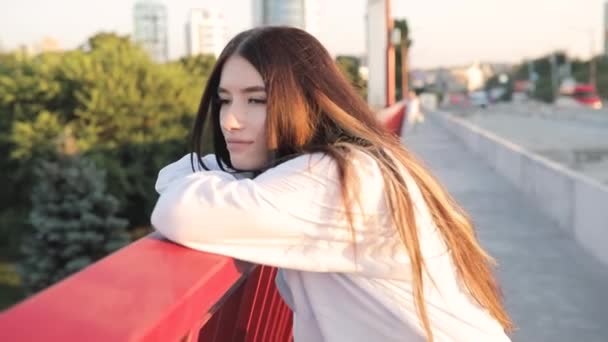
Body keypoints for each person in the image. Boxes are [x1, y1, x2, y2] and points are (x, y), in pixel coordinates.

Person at [151, 26, 513, 342]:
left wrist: (217, 178)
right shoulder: (361, 162)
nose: (231, 120)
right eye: (224, 100)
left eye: (256, 100)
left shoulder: (337, 178)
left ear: (306, 102)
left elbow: (179, 210)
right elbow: (174, 177)